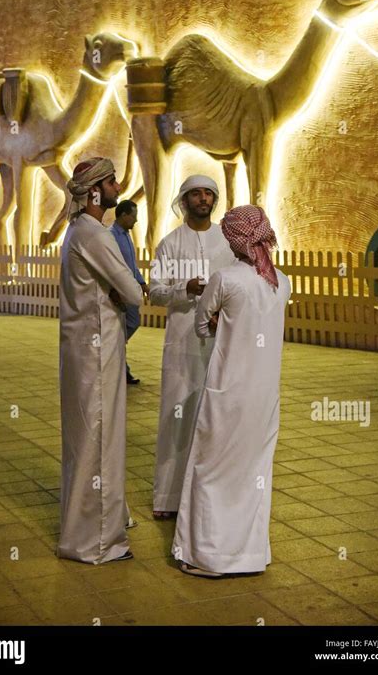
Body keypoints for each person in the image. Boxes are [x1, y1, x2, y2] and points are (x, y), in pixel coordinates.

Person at [172, 205, 291, 577]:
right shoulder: (282, 281)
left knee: (211, 469)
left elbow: (202, 327)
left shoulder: (225, 279)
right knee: (254, 472)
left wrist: (218, 322)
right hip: (264, 397)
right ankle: (249, 556)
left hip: (227, 394)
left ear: (233, 239)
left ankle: (208, 556)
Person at [57, 157, 143, 564]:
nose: (116, 186)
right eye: (110, 182)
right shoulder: (94, 234)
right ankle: (97, 543)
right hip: (97, 353)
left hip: (85, 350)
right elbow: (133, 292)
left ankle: (95, 527)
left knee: (86, 441)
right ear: (94, 192)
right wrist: (121, 291)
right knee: (101, 441)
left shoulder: (77, 230)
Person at [149, 175, 236, 520]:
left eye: (207, 194)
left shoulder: (227, 243)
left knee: (215, 417)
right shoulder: (169, 244)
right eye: (195, 194)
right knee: (177, 417)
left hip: (220, 341)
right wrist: (184, 289)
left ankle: (207, 497)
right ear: (183, 201)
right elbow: (155, 292)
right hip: (181, 344)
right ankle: (168, 498)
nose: (202, 199)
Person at [110, 199, 149, 384]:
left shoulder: (125, 235)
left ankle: (118, 359)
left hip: (130, 290)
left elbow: (131, 265)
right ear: (124, 215)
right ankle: (119, 365)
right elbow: (113, 267)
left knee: (129, 325)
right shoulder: (111, 236)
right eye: (133, 216)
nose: (136, 221)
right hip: (121, 292)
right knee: (127, 325)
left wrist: (141, 283)